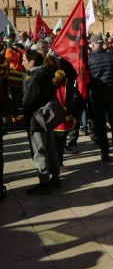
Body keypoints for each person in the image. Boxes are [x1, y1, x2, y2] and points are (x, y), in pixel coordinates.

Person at [22, 49, 61, 195]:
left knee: (40, 151)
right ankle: (55, 177)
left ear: (32, 62)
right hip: (47, 118)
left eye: (24, 60)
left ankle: (44, 182)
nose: (22, 63)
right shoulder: (47, 74)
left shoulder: (35, 78)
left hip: (36, 120)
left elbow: (27, 102)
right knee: (51, 148)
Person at [88, 34, 113, 162]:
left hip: (97, 96)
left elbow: (86, 80)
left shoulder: (89, 60)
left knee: (101, 125)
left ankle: (105, 154)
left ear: (92, 45)